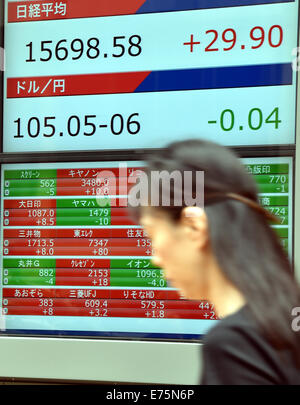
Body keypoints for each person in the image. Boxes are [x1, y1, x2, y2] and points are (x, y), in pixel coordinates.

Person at [128, 138, 300, 385]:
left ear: (194, 226)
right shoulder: (284, 324)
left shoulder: (234, 344)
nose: (155, 258)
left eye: (152, 234)